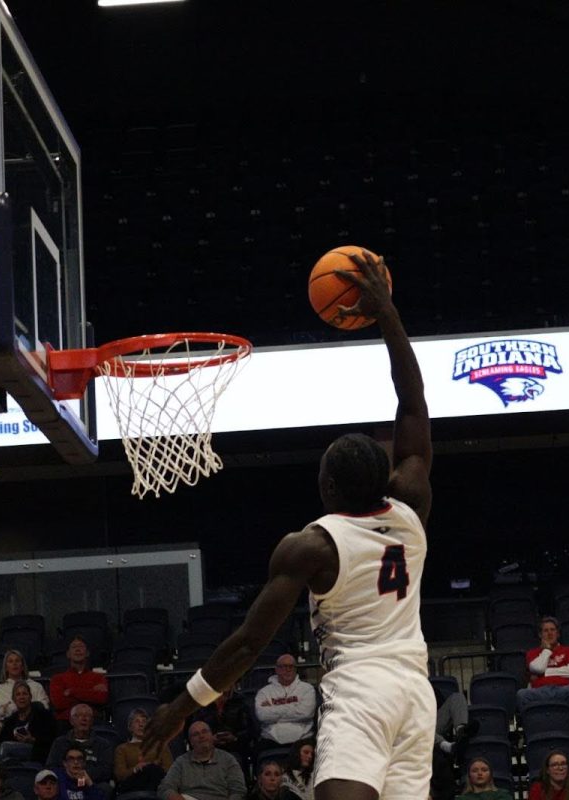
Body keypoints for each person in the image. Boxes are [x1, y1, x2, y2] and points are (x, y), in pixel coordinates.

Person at [145, 250, 433, 800]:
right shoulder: (411, 506)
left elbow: (250, 643)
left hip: (362, 690)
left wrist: (179, 709)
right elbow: (413, 404)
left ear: (327, 489)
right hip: (416, 694)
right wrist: (388, 314)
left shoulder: (313, 547)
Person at [158, 721, 247, 800]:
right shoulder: (181, 762)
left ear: (212, 736)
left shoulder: (228, 759)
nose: (201, 736)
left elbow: (238, 791)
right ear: (191, 742)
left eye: (204, 732)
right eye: (196, 734)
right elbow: (165, 788)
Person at [517, 617, 569, 716]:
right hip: (539, 691)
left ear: (558, 634)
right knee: (522, 694)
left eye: (552, 630)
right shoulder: (532, 653)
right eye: (546, 631)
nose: (550, 633)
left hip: (563, 689)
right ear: (540, 635)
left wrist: (544, 673)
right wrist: (546, 650)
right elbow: (538, 668)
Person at [254, 654, 317, 750]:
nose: (288, 670)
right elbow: (262, 715)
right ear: (277, 669)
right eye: (283, 666)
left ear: (295, 669)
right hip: (271, 742)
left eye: (291, 666)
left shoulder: (307, 689)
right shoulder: (264, 692)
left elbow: (306, 713)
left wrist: (272, 709)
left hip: (302, 741)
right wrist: (295, 707)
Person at [0, 650, 50, 735]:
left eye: (17, 661)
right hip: (3, 731)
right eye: (10, 661)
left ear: (22, 666)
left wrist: (23, 708)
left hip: (32, 729)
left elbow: (45, 707)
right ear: (6, 667)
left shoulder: (36, 686)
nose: (14, 664)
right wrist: (2, 711)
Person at [46, 704, 114, 785]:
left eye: (87, 716)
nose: (83, 719)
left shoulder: (103, 744)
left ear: (92, 721)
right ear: (71, 721)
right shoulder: (59, 743)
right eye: (78, 716)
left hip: (92, 783)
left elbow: (106, 770)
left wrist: (82, 775)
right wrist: (70, 775)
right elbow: (51, 767)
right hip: (65, 783)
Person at [48, 638, 109, 723]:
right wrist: (90, 692)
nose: (77, 649)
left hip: (93, 721)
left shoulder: (98, 677)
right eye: (74, 647)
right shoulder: (57, 678)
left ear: (87, 653)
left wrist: (72, 692)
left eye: (81, 646)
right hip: (65, 722)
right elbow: (59, 703)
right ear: (68, 654)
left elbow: (101, 698)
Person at [0, 680, 57, 764]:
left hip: (36, 752)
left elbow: (52, 740)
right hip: (13, 757)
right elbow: (3, 739)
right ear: (14, 699)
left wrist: (33, 740)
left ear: (30, 697)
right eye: (18, 694)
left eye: (25, 694)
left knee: (5, 748)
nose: (22, 697)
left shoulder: (43, 715)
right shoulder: (10, 720)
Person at [114, 708, 173, 793]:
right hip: (133, 783)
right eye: (137, 721)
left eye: (144, 721)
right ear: (130, 727)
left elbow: (170, 770)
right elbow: (120, 775)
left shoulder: (160, 745)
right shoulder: (122, 749)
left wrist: (152, 767)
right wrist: (136, 768)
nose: (141, 725)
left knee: (152, 769)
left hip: (157, 780)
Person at [193, 687, 254, 767]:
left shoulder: (241, 702)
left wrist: (235, 737)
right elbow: (194, 729)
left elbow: (251, 730)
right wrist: (209, 739)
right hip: (208, 749)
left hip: (236, 749)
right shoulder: (203, 703)